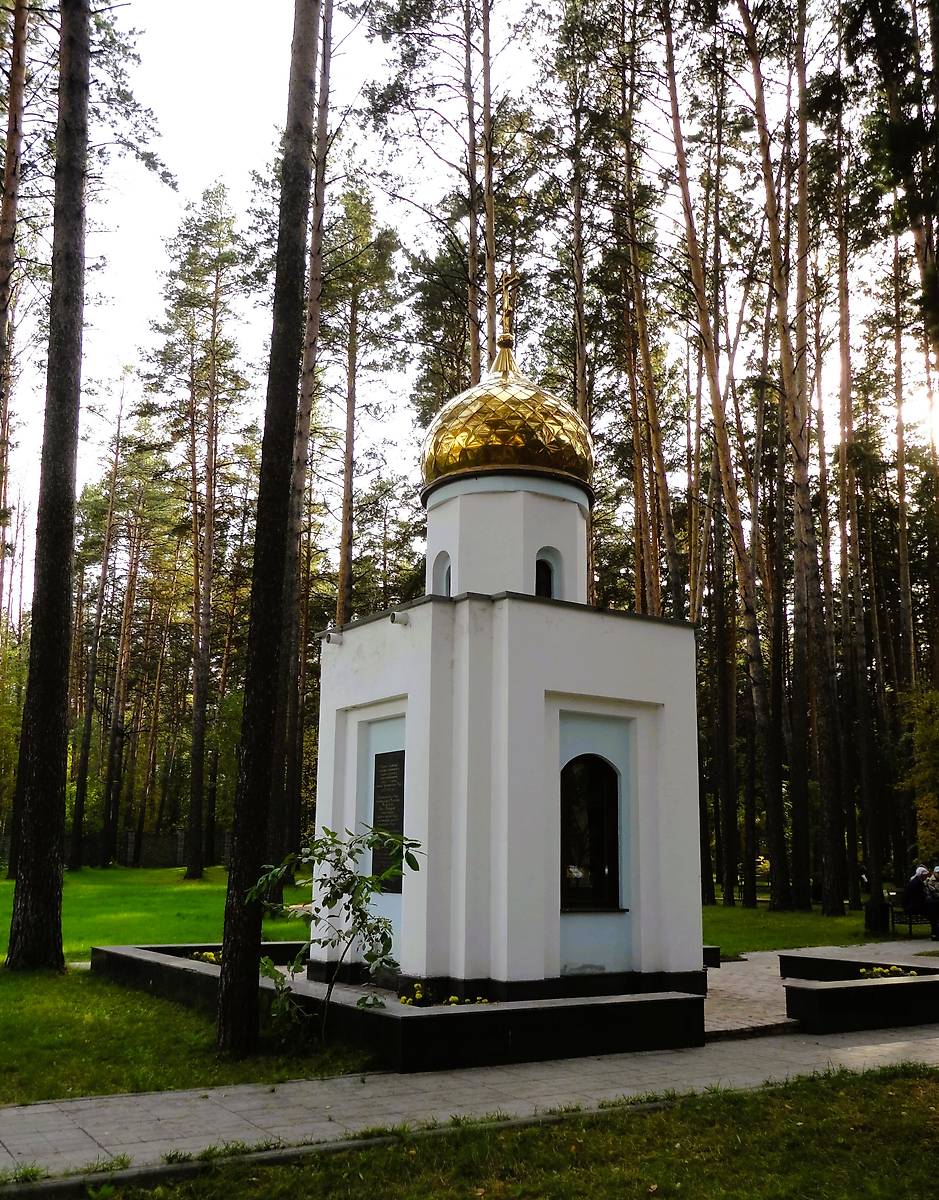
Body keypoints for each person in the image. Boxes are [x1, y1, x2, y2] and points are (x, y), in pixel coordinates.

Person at [924, 866, 939, 940]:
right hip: (932, 903)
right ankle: (935, 934)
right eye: (938, 873)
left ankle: (935, 933)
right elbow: (934, 893)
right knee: (934, 915)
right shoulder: (929, 881)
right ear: (934, 873)